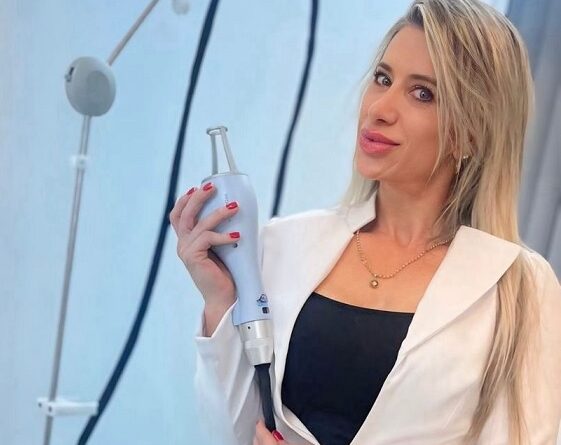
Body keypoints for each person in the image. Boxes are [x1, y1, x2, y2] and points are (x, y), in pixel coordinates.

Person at [169, 0, 561, 443]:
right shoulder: (282, 243)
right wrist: (221, 302)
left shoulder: (519, 290)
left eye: (422, 93)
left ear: (471, 132)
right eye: (383, 78)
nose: (379, 108)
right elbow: (232, 433)